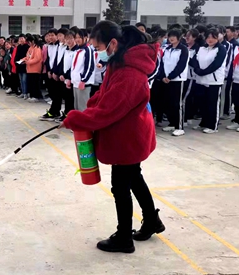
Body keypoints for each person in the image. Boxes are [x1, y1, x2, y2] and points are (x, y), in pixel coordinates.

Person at [61, 21, 164, 254]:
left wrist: (75, 119)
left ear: (113, 43)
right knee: (134, 178)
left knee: (120, 186)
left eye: (97, 46)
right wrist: (83, 112)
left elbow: (108, 111)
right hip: (127, 133)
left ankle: (124, 238)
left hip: (128, 138)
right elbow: (103, 96)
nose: (96, 51)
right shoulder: (119, 63)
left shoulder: (130, 74)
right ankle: (151, 221)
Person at [191, 28, 227, 134]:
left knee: (213, 103)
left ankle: (212, 125)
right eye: (208, 37)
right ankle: (204, 122)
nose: (210, 39)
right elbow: (194, 60)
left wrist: (203, 72)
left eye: (213, 37)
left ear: (217, 38)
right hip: (201, 80)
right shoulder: (202, 48)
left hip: (214, 81)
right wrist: (197, 70)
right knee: (203, 103)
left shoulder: (221, 49)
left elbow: (216, 64)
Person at [160, 29, 189, 137]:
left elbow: (181, 65)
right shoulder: (167, 49)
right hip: (166, 80)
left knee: (177, 104)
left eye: (174, 36)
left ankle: (179, 127)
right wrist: (163, 76)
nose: (171, 38)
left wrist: (171, 76)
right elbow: (162, 63)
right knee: (168, 103)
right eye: (170, 36)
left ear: (179, 37)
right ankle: (172, 123)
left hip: (177, 80)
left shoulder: (183, 49)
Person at [70, 28, 95, 111]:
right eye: (76, 37)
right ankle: (77, 123)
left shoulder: (88, 50)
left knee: (83, 107)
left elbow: (89, 67)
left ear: (85, 38)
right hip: (75, 82)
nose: (77, 40)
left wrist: (83, 80)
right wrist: (71, 79)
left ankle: (83, 123)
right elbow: (74, 67)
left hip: (83, 83)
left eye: (79, 37)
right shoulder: (77, 50)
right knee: (76, 106)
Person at [184, 29, 204, 122]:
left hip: (191, 76)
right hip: (183, 76)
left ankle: (188, 117)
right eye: (186, 36)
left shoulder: (198, 49)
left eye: (189, 36)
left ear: (195, 37)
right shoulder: (185, 47)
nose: (187, 38)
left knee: (187, 97)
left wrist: (187, 58)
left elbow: (196, 63)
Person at [57, 30, 76, 118]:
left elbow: (74, 66)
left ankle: (70, 115)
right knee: (66, 97)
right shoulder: (66, 50)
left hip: (72, 78)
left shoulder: (77, 51)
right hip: (64, 78)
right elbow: (61, 63)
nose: (68, 41)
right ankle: (66, 113)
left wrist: (67, 76)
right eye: (67, 39)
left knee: (71, 98)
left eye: (71, 38)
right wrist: (60, 73)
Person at [24, 36, 43, 102]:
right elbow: (27, 57)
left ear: (33, 41)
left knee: (35, 83)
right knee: (30, 83)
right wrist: (23, 60)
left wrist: (28, 62)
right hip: (29, 69)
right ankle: (32, 95)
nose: (28, 43)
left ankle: (36, 96)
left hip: (35, 69)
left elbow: (37, 58)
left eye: (29, 42)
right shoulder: (30, 48)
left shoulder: (37, 48)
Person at [14, 34, 30, 99]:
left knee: (24, 80)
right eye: (20, 39)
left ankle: (26, 93)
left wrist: (23, 61)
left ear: (25, 39)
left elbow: (28, 56)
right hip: (19, 65)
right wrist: (16, 61)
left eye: (22, 38)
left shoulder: (27, 47)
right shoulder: (18, 47)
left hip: (24, 65)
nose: (21, 40)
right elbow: (17, 55)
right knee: (21, 80)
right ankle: (23, 92)